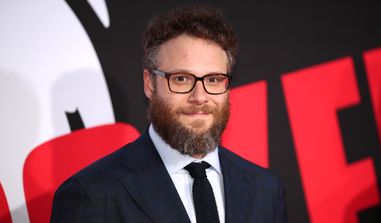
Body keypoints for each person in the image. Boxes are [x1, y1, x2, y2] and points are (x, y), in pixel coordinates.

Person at [51, 5, 287, 223]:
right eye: (181, 79)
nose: (199, 96)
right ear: (149, 84)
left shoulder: (265, 189)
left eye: (214, 80)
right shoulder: (92, 195)